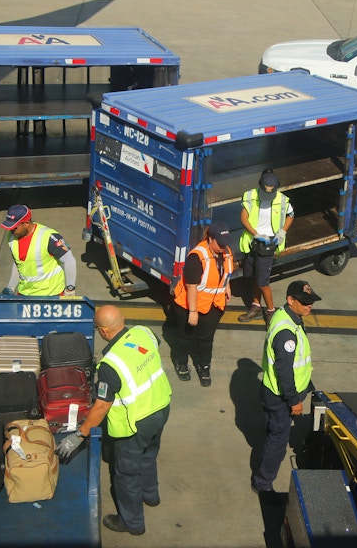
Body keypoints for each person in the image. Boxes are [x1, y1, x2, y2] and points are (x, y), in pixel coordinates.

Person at [56, 305, 172, 536]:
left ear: (103, 331)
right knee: (149, 455)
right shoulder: (143, 333)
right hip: (160, 408)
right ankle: (151, 495)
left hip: (134, 424)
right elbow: (150, 349)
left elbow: (101, 406)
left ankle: (132, 522)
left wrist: (81, 434)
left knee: (126, 474)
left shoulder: (110, 365)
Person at [251, 280, 320, 494]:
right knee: (278, 442)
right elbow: (285, 371)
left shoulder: (288, 317)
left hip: (275, 392)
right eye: (305, 302)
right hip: (281, 398)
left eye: (311, 302)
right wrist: (294, 401)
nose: (309, 306)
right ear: (290, 300)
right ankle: (262, 483)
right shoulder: (286, 332)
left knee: (274, 433)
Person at [171, 221, 234, 386]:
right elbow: (192, 286)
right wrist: (193, 311)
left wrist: (227, 286)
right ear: (210, 239)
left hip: (214, 305)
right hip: (189, 306)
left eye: (225, 244)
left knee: (206, 339)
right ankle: (181, 363)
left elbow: (225, 271)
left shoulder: (226, 252)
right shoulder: (197, 256)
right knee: (185, 337)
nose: (223, 247)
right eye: (220, 243)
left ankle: (204, 366)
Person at [238, 170, 295, 323]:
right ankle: (256, 306)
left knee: (263, 282)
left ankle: (271, 312)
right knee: (253, 277)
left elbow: (291, 215)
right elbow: (244, 217)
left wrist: (283, 231)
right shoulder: (251, 196)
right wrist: (255, 234)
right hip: (253, 242)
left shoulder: (282, 200)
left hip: (268, 244)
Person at [0, 204, 77, 296]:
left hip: (50, 295)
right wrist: (11, 287)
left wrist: (70, 288)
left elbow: (69, 261)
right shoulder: (12, 237)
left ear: (27, 224)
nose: (11, 230)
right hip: (25, 293)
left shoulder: (49, 237)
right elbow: (19, 264)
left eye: (15, 227)